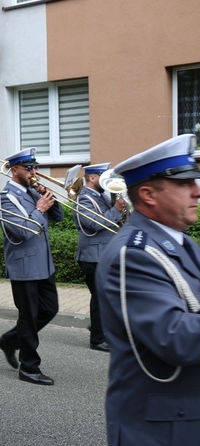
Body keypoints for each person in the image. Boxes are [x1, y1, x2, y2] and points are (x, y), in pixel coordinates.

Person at [95, 134, 200, 445]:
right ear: (148, 194)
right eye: (184, 184)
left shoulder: (182, 241)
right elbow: (177, 339)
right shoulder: (134, 254)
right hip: (162, 429)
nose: (197, 191)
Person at [0, 147, 63, 386]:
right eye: (29, 168)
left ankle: (10, 340)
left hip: (43, 263)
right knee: (29, 317)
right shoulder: (7, 197)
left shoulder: (32, 191)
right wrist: (39, 208)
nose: (34, 172)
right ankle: (29, 367)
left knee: (50, 309)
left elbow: (58, 218)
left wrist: (48, 198)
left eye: (35, 167)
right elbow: (22, 231)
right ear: (14, 170)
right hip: (24, 265)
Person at [74, 163, 127, 352]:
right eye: (102, 176)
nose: (107, 181)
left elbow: (115, 220)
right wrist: (115, 210)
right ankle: (97, 339)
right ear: (92, 178)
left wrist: (122, 209)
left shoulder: (103, 196)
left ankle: (99, 328)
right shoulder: (83, 198)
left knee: (105, 296)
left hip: (103, 254)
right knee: (99, 297)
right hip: (92, 256)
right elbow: (93, 224)